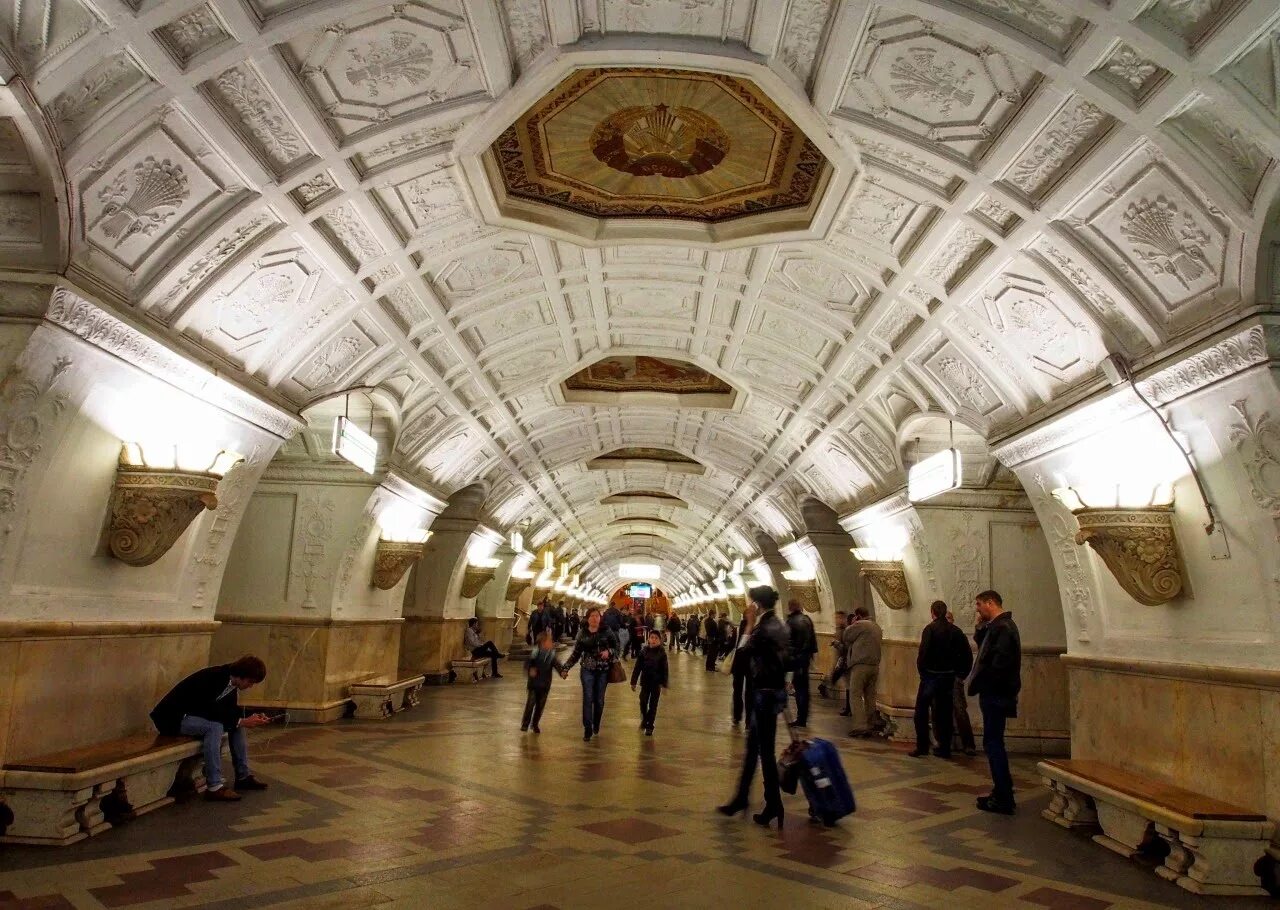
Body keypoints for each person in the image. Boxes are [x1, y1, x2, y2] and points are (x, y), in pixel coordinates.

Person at [150, 656, 272, 802]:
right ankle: (214, 786)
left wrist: (252, 718)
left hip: (191, 716)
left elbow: (229, 710)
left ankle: (243, 776)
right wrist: (240, 721)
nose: (250, 686)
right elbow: (205, 710)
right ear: (241, 676)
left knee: (237, 727)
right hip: (172, 718)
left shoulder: (231, 683)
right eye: (250, 682)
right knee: (215, 727)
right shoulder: (215, 677)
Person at [718, 585, 789, 828]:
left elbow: (741, 657)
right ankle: (744, 799)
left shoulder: (762, 629)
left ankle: (771, 804)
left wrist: (747, 625)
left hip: (764, 695)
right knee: (755, 749)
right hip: (774, 692)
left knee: (764, 752)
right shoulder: (780, 625)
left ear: (756, 605)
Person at [969, 590, 1021, 814]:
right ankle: (1000, 792)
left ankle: (1004, 796)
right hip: (995, 693)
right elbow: (984, 649)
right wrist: (980, 627)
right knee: (993, 743)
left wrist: (985, 683)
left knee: (993, 744)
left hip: (996, 695)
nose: (977, 609)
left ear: (991, 603)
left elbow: (998, 664)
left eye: (980, 604)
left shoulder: (1004, 628)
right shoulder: (997, 626)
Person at [911, 601, 971, 758]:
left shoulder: (930, 629)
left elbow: (923, 654)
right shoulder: (956, 631)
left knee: (921, 712)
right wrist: (960, 674)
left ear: (932, 612)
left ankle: (922, 746)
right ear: (945, 613)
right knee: (944, 713)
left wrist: (923, 674)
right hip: (948, 677)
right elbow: (967, 655)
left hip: (930, 677)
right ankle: (945, 748)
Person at [562, 606, 620, 741]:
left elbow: (617, 647)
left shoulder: (607, 631)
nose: (594, 618)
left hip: (603, 670)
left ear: (600, 618)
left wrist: (609, 652)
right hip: (587, 670)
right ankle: (587, 727)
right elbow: (576, 654)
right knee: (588, 698)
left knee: (599, 700)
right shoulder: (582, 633)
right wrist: (566, 668)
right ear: (587, 619)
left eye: (597, 616)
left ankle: (596, 723)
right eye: (592, 616)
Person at [844, 607, 883, 738]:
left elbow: (846, 636)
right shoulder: (876, 626)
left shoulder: (860, 625)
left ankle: (860, 726)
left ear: (858, 616)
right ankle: (871, 723)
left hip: (860, 665)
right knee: (870, 696)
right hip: (874, 665)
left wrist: (852, 623)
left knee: (855, 694)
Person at [522, 628, 565, 733]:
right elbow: (527, 664)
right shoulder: (534, 653)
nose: (551, 643)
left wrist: (562, 672)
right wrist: (530, 669)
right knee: (530, 704)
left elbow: (557, 665)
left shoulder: (551, 655)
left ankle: (535, 724)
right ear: (542, 643)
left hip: (545, 684)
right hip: (534, 684)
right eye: (549, 641)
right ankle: (525, 724)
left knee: (540, 707)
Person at [947, 610, 977, 756]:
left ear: (952, 619)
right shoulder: (935, 632)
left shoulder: (958, 635)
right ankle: (946, 743)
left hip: (954, 678)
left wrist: (961, 675)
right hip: (941, 677)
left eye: (949, 618)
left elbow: (967, 657)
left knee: (959, 710)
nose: (946, 621)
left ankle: (968, 744)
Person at [785, 598, 818, 727]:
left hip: (795, 660)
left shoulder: (790, 622)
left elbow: (787, 643)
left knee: (799, 690)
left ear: (790, 608)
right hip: (805, 659)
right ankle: (803, 717)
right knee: (804, 689)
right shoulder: (807, 620)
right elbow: (813, 642)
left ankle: (801, 719)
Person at [630, 630, 670, 735]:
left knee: (653, 705)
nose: (653, 640)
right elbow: (637, 667)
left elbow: (665, 669)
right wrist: (633, 681)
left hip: (656, 684)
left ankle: (650, 726)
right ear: (648, 639)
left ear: (660, 641)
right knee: (643, 702)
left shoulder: (662, 653)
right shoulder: (643, 651)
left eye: (656, 638)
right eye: (652, 637)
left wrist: (664, 684)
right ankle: (645, 718)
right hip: (645, 682)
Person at [818, 611, 848, 701]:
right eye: (836, 618)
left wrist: (837, 644)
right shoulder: (840, 630)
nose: (837, 620)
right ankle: (823, 685)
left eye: (839, 618)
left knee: (836, 674)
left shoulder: (845, 630)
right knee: (835, 674)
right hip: (840, 657)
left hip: (843, 657)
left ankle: (823, 685)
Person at [730, 612, 750, 726]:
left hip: (737, 665)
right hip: (749, 665)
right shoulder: (755, 630)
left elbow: (731, 645)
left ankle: (737, 717)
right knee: (749, 692)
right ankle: (748, 721)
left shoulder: (737, 630)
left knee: (737, 691)